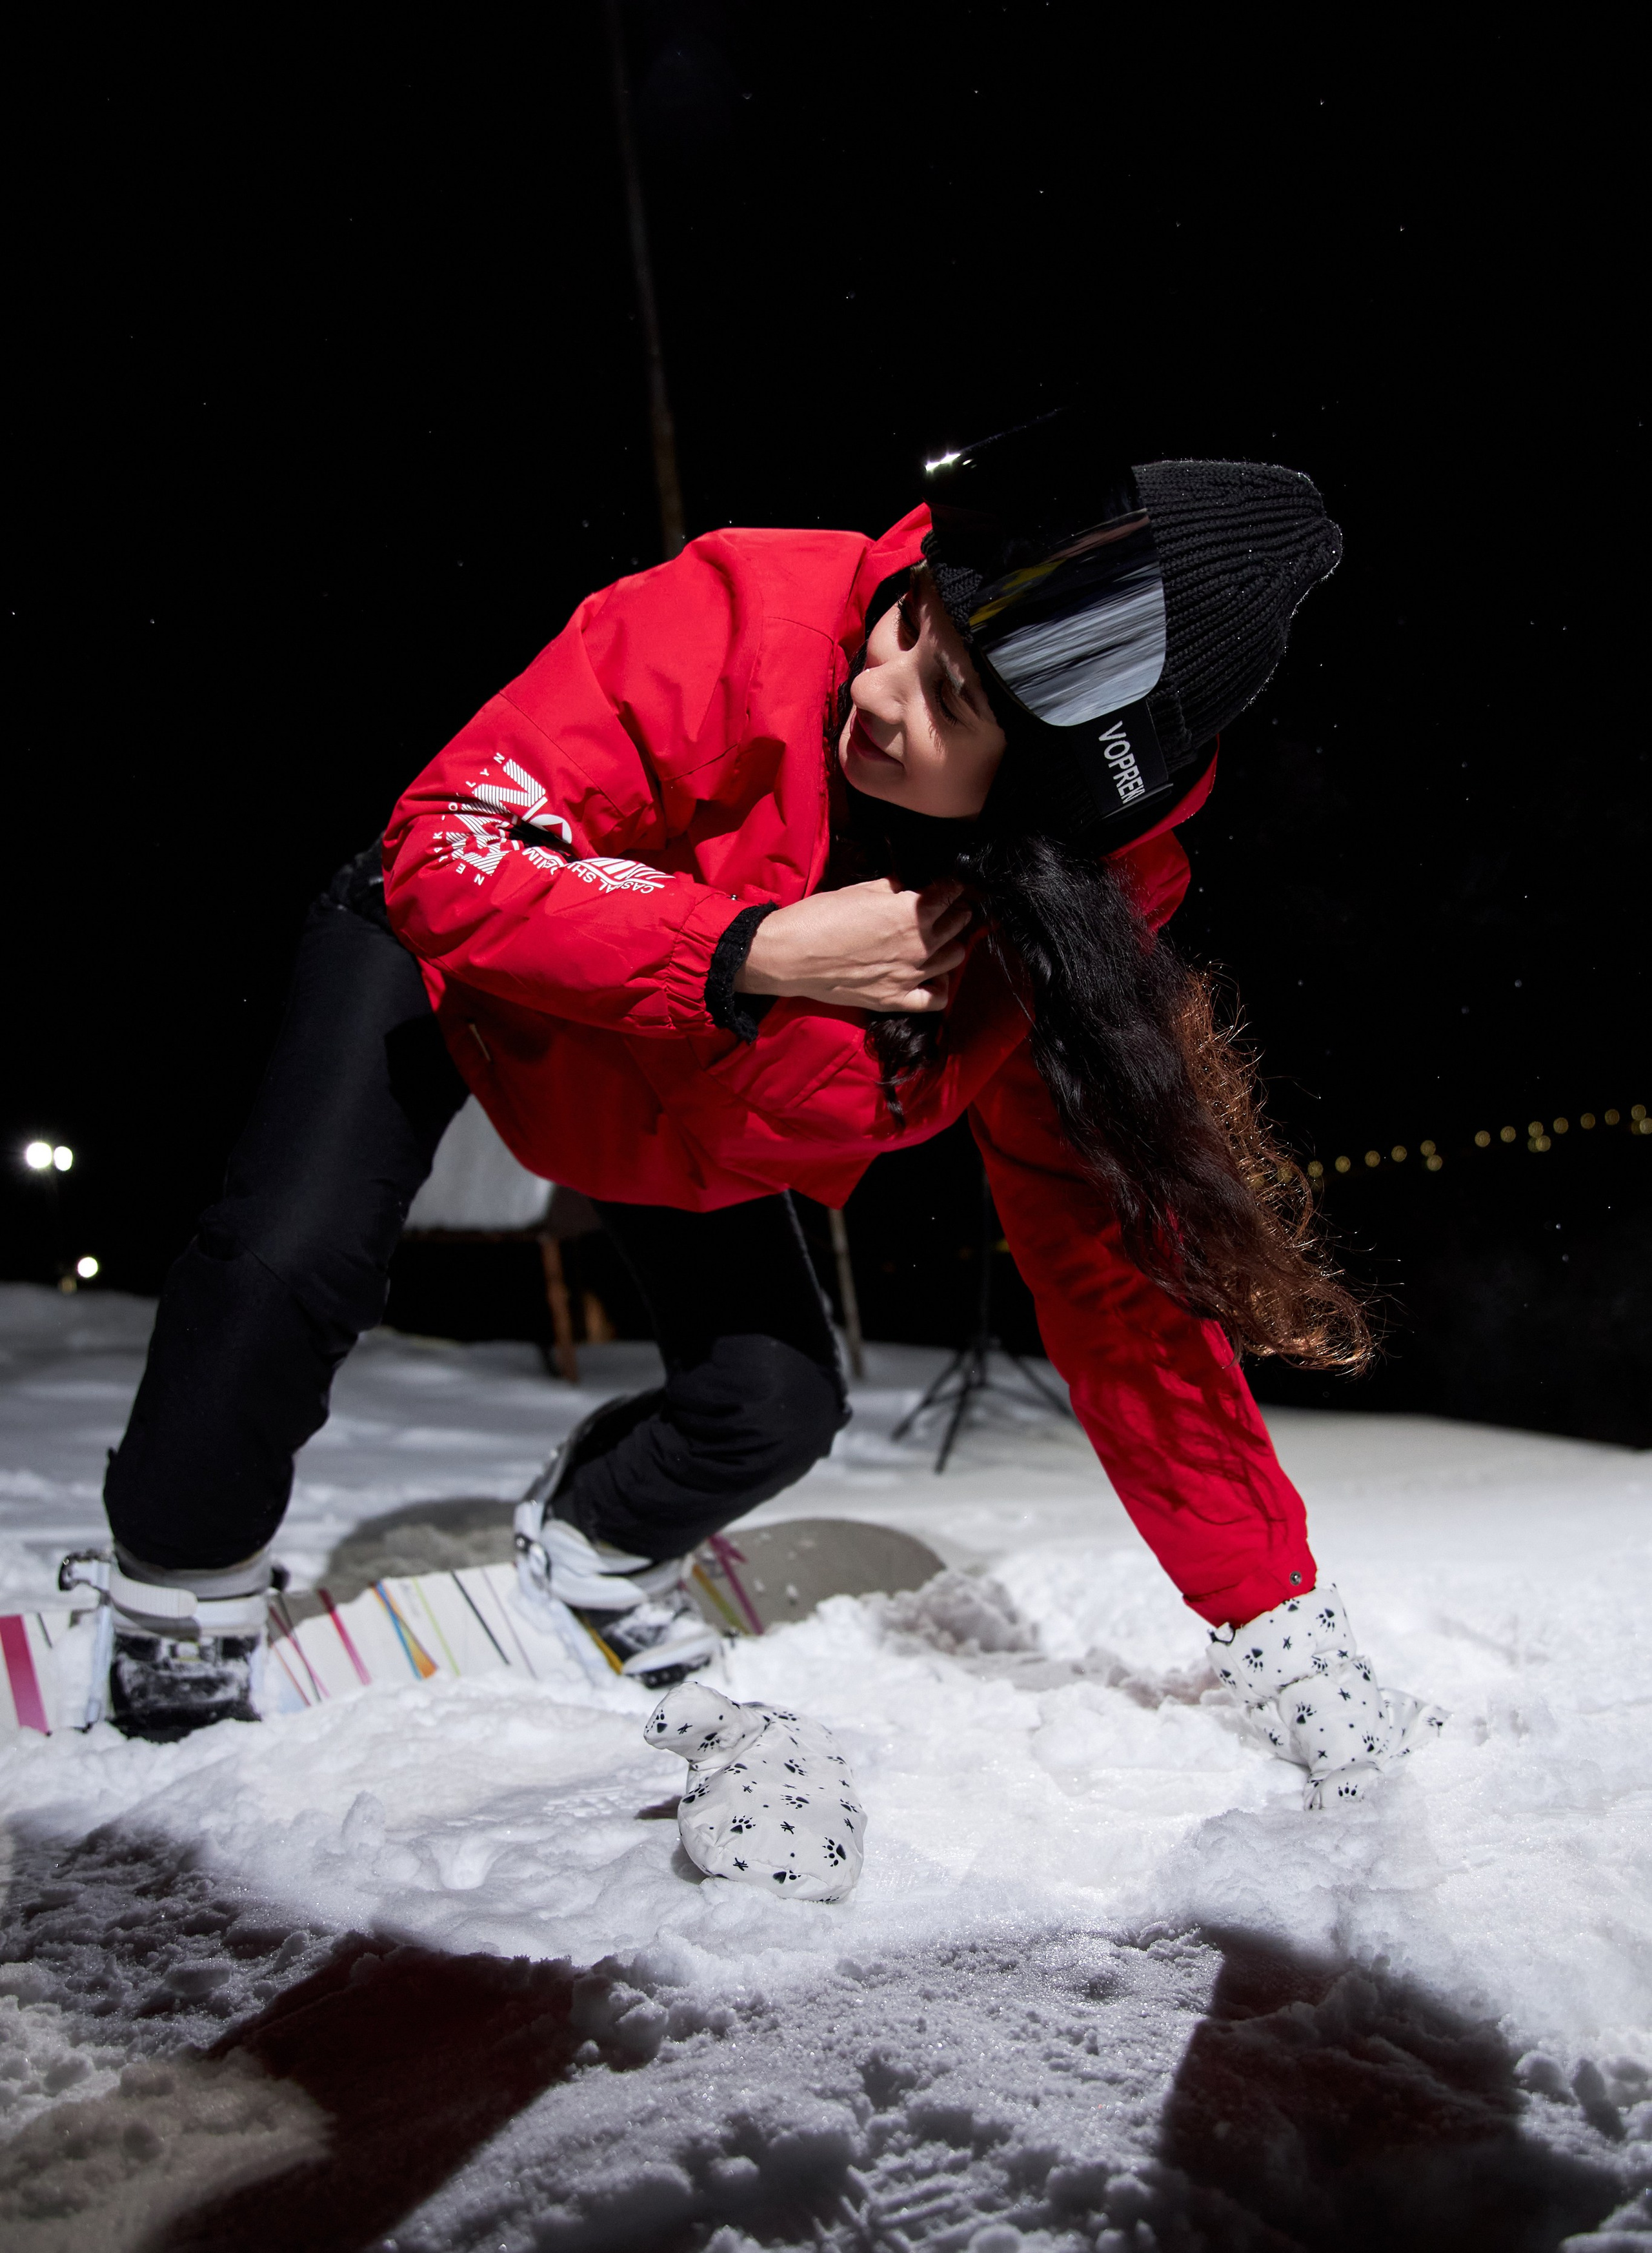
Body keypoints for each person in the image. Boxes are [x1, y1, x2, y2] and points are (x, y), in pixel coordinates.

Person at [94, 414, 1442, 1801]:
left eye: (953, 702)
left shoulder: (1054, 921)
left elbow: (1112, 1273)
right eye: (912, 623)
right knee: (289, 1260)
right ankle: (175, 1602)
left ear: (1035, 805)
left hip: (659, 1082)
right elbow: (449, 842)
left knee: (776, 1405)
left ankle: (589, 1552)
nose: (880, 682)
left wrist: (1267, 1618)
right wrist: (750, 951)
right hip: (457, 950)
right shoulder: (747, 617)